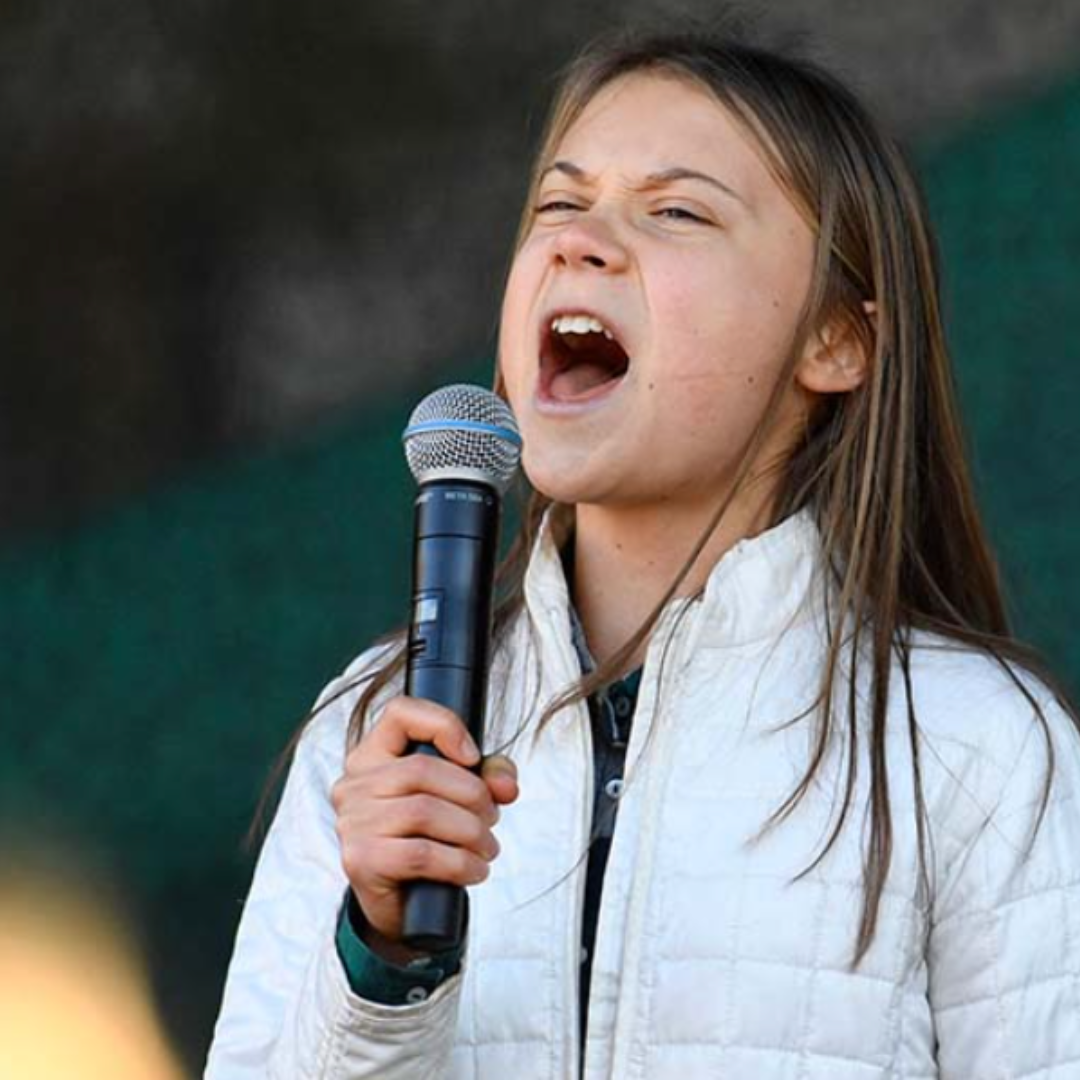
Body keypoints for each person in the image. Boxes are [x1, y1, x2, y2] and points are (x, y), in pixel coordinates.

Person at [205, 22, 1080, 1080]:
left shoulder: (976, 751)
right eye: (559, 204)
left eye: (675, 210)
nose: (582, 240)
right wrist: (383, 962)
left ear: (837, 339)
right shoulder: (372, 729)